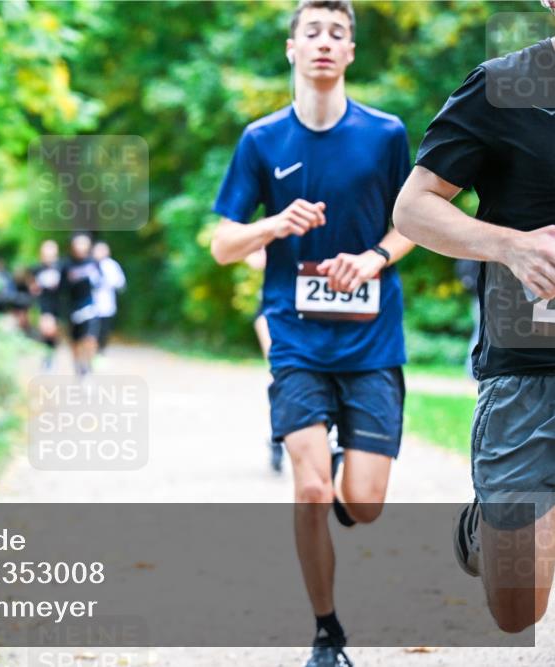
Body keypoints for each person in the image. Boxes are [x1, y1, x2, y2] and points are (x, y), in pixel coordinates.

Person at [208, 2, 415, 665]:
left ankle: (345, 476)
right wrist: (273, 225)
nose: (324, 42)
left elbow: (415, 221)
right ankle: (327, 633)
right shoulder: (261, 140)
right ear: (291, 48)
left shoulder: (385, 134)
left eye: (337, 33)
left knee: (365, 504)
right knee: (310, 490)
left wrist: (375, 258)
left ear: (350, 51)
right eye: (312, 32)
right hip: (295, 339)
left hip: (371, 341)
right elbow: (222, 244)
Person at [393, 0, 555, 634]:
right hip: (529, 367)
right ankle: (489, 523)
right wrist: (510, 246)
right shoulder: (501, 86)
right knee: (517, 610)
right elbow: (413, 208)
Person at [246, 248, 286, 474]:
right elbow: (253, 259)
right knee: (277, 372)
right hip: (271, 311)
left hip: (308, 312)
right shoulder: (273, 232)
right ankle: (276, 437)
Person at [61, 234, 102, 376]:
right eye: (78, 244)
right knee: (75, 341)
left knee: (90, 338)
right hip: (73, 308)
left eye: (83, 244)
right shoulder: (66, 265)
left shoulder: (93, 263)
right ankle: (78, 366)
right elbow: (62, 288)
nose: (80, 247)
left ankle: (88, 366)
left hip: (89, 307)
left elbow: (100, 282)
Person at [31, 240, 63, 370]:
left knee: (53, 332)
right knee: (46, 329)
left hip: (58, 303)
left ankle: (50, 356)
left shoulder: (61, 267)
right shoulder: (36, 269)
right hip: (44, 303)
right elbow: (32, 286)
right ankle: (47, 357)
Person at [91, 241, 127, 354]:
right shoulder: (89, 265)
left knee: (104, 330)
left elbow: (120, 283)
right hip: (90, 305)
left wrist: (108, 282)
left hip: (106, 304)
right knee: (91, 331)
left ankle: (101, 351)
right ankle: (92, 351)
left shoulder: (112, 265)